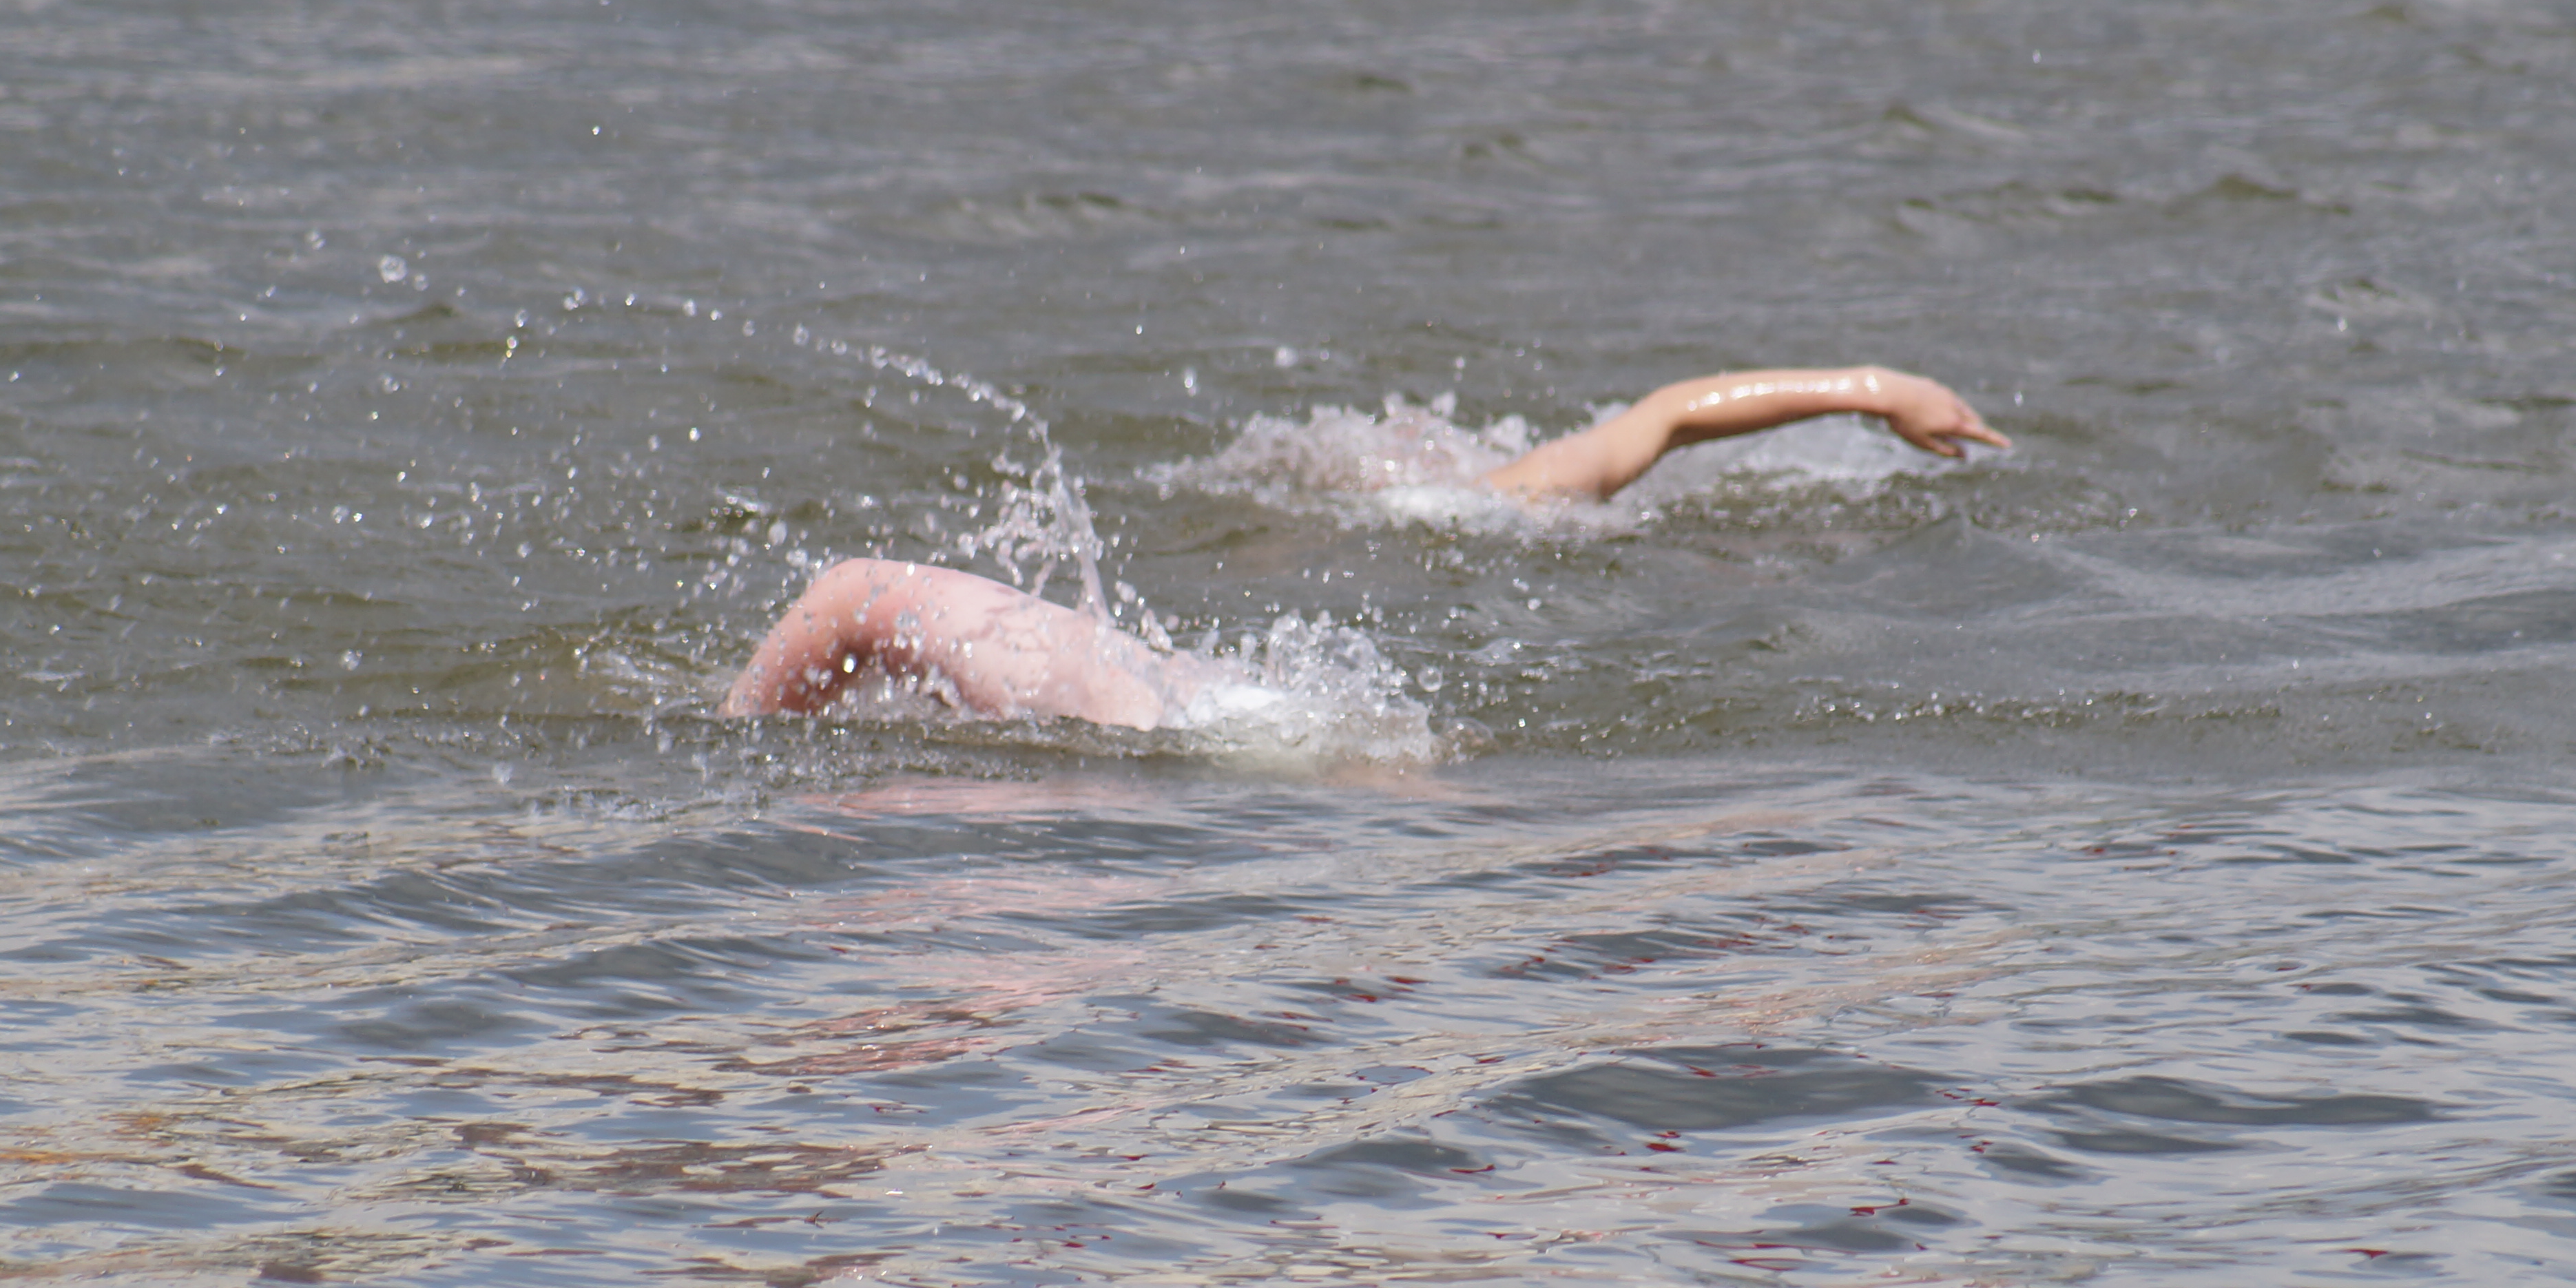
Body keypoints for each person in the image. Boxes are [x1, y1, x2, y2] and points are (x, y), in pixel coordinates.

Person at [719, 364, 2006, 728]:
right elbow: (1666, 414)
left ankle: (735, 737)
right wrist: (1878, 388)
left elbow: (1666, 415)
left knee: (860, 599)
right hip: (1240, 711)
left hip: (1208, 716)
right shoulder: (1495, 499)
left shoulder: (1495, 500)